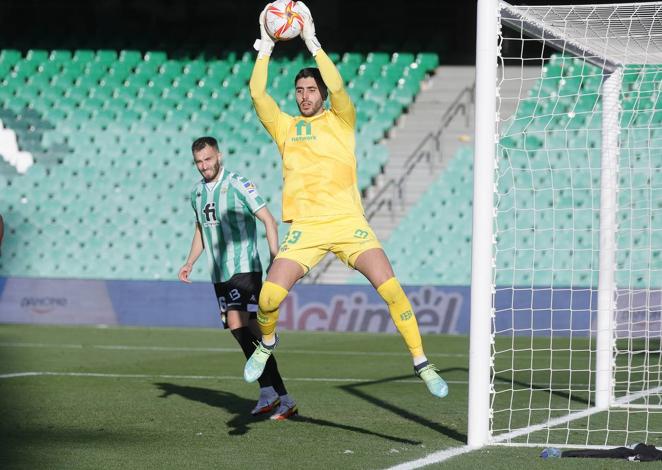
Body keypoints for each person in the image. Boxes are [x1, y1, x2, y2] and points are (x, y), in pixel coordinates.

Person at [244, 3, 448, 398]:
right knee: (268, 299)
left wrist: (310, 41)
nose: (305, 96)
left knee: (390, 289)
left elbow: (338, 87)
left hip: (347, 223)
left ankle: (422, 362)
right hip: (305, 228)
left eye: (311, 90)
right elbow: (257, 92)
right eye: (299, 91)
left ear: (321, 94)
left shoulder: (341, 119)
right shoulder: (285, 128)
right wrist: (266, 46)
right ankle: (267, 344)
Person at [178, 136, 298, 420]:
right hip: (219, 272)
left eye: (208, 159)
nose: (204, 166)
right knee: (243, 331)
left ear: (219, 156)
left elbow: (269, 219)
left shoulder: (237, 184)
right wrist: (189, 261)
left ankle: (274, 387)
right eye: (199, 162)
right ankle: (274, 393)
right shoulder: (197, 193)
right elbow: (201, 229)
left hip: (244, 267)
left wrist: (274, 257)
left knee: (236, 323)